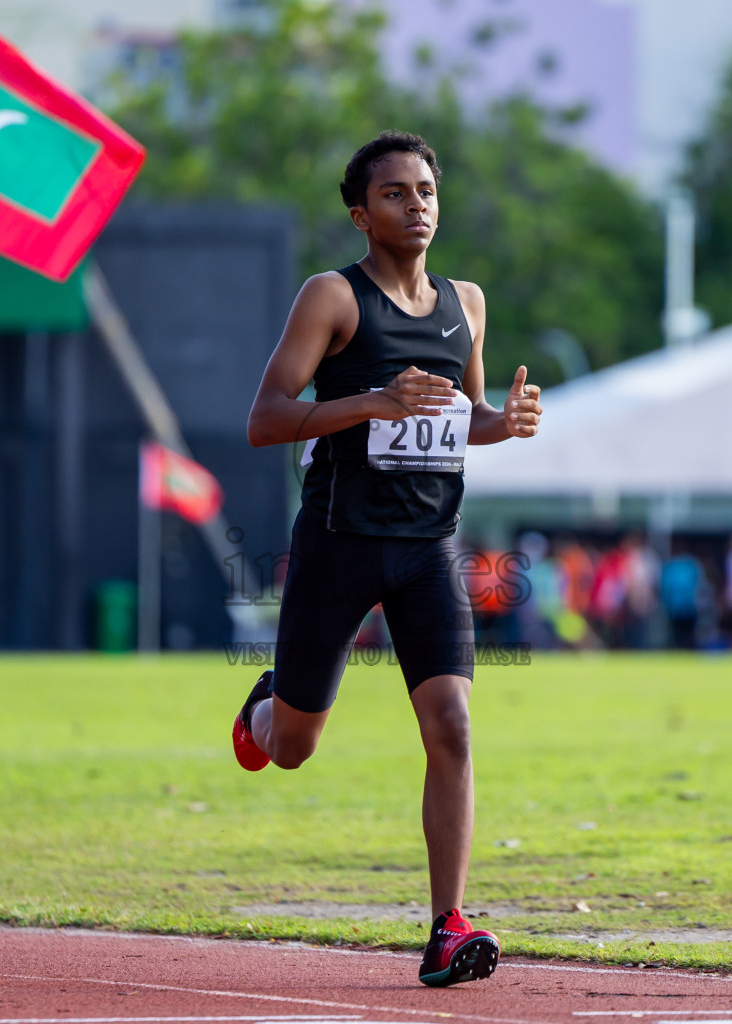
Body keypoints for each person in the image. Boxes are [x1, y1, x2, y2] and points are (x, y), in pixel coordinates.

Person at [234, 131, 542, 987]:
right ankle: (263, 710)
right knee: (292, 746)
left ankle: (448, 927)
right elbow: (264, 418)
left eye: (428, 190)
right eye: (397, 193)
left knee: (452, 726)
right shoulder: (332, 298)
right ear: (360, 212)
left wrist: (502, 423)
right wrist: (372, 401)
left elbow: (464, 416)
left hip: (429, 550)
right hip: (337, 546)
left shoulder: (465, 303)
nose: (418, 205)